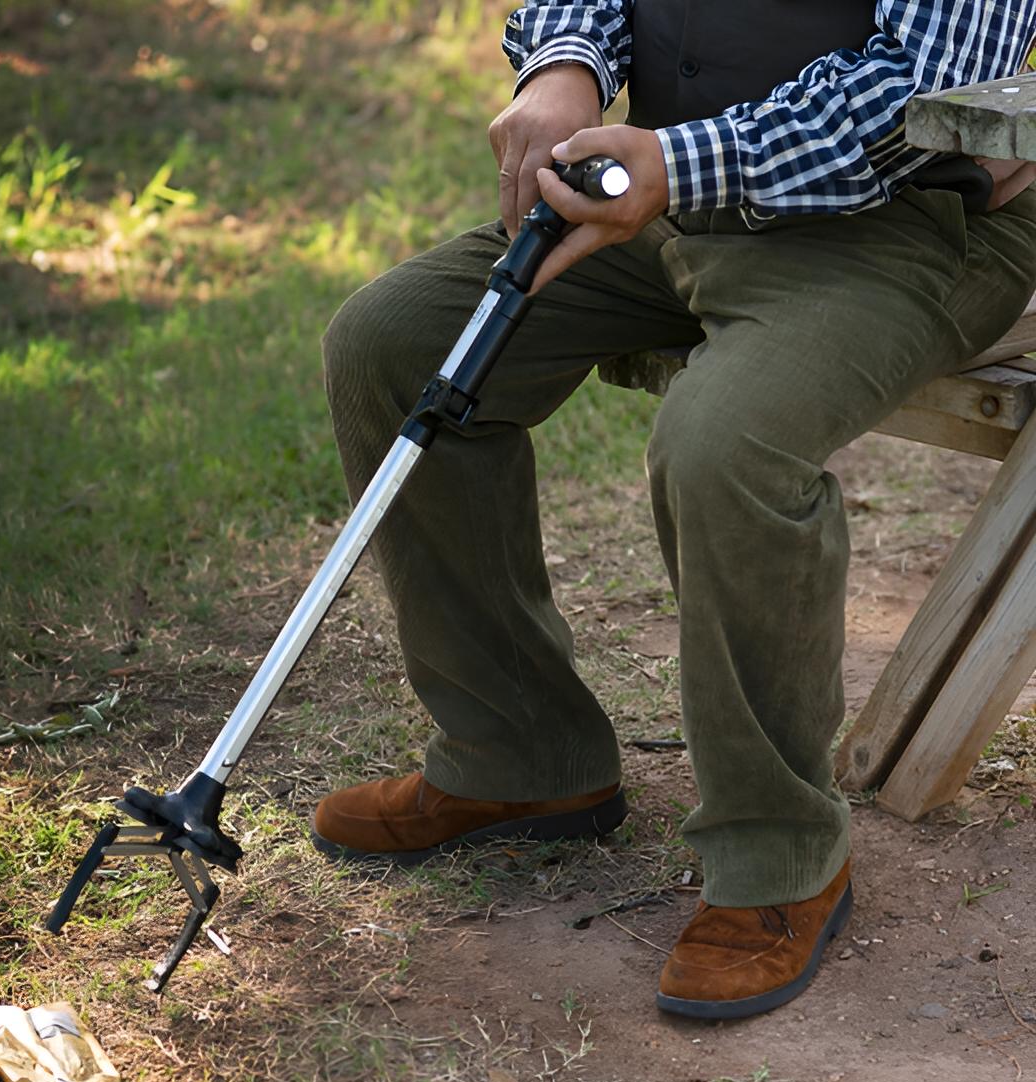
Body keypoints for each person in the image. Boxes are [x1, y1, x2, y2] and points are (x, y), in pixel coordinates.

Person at [310, 2, 1036, 1019]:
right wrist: (562, 66)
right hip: (672, 204)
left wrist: (676, 163)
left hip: (895, 226)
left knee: (723, 444)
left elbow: (916, 88)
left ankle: (780, 858)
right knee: (393, 345)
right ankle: (521, 757)